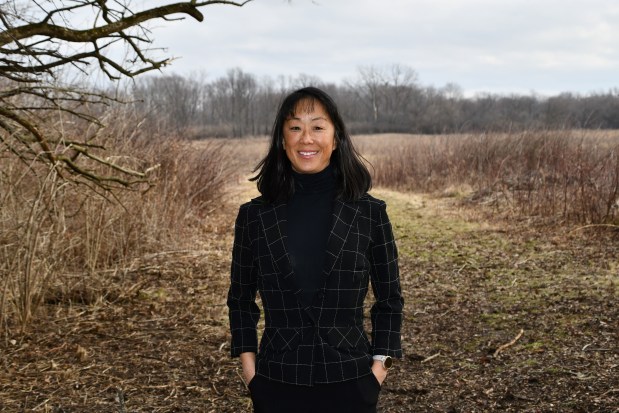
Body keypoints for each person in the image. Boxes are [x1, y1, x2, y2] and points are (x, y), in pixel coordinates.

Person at [227, 86, 403, 413]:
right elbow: (240, 301)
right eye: (295, 127)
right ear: (282, 139)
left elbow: (389, 300)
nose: (306, 138)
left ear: (336, 139)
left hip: (352, 383)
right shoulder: (254, 217)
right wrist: (251, 374)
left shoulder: (369, 213)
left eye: (318, 127)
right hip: (276, 383)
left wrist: (380, 369)